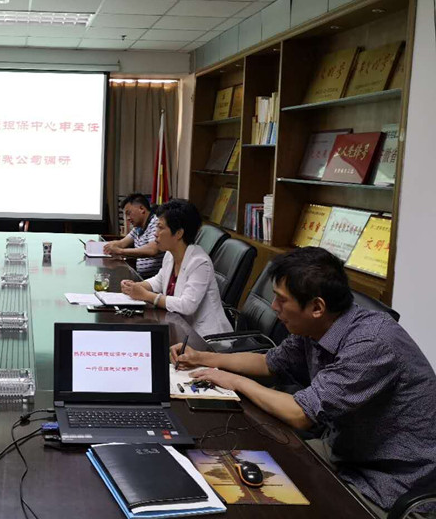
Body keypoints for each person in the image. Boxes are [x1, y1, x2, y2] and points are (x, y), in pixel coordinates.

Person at [171, 247, 436, 515]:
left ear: (316, 307)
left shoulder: (371, 343)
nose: (274, 307)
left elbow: (300, 414)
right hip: (345, 451)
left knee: (267, 504)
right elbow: (269, 362)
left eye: (281, 299)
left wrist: (235, 381)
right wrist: (203, 357)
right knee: (225, 472)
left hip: (391, 483)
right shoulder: (318, 326)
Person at [120, 199, 230, 337]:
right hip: (180, 329)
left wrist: (146, 295)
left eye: (160, 228)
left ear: (179, 233)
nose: (155, 233)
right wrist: (135, 286)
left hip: (205, 338)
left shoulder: (199, 262)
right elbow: (159, 280)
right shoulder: (170, 255)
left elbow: (187, 305)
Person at [103, 193, 163, 278]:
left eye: (129, 213)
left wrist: (120, 251)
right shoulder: (138, 228)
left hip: (154, 279)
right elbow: (121, 243)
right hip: (142, 277)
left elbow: (152, 250)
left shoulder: (156, 223)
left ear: (141, 209)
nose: (127, 218)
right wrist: (95, 246)